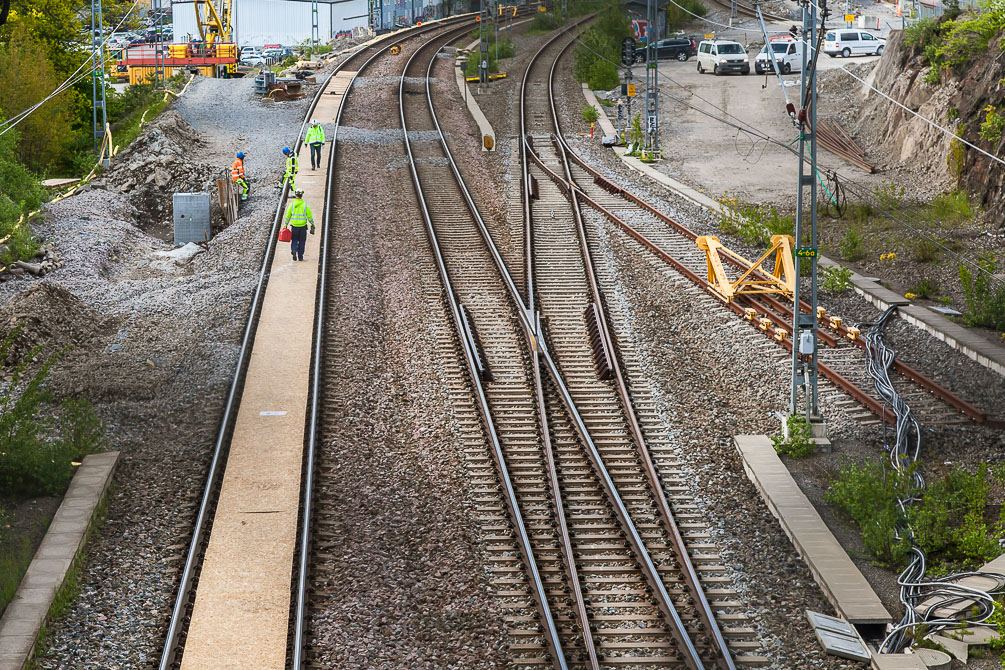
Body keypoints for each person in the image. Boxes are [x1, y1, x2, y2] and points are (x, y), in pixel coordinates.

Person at [282, 189, 315, 261]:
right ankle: (300, 256)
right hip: (303, 227)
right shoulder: (305, 205)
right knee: (302, 241)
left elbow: (288, 216)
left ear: (296, 195)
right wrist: (312, 224)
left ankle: (294, 250)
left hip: (294, 227)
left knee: (294, 240)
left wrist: (285, 225)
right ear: (301, 195)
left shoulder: (292, 205)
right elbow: (309, 217)